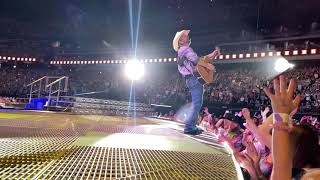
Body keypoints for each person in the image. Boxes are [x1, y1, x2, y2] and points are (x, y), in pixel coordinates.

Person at [172, 30, 219, 135]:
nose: (186, 36)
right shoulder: (185, 49)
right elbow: (196, 60)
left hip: (191, 79)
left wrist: (212, 55)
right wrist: (209, 66)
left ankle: (191, 126)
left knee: (197, 103)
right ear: (180, 41)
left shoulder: (182, 51)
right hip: (193, 79)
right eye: (184, 36)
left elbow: (200, 60)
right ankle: (189, 127)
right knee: (197, 103)